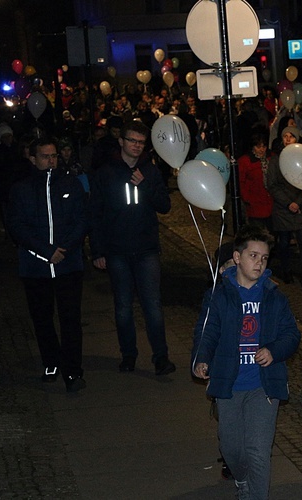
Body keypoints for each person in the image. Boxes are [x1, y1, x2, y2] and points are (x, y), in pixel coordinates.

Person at [192, 224, 300, 500]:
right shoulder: (219, 294)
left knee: (258, 451)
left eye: (264, 258)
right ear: (237, 258)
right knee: (232, 448)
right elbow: (207, 331)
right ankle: (242, 480)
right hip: (229, 383)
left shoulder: (274, 296)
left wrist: (274, 350)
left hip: (264, 386)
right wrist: (201, 359)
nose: (259, 263)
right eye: (253, 256)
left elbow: (291, 335)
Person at [90, 120, 176, 375]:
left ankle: (161, 357)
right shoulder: (105, 173)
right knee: (123, 307)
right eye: (132, 141)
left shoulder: (150, 171)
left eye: (141, 142)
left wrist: (145, 185)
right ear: (121, 142)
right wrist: (97, 251)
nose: (137, 146)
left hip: (146, 249)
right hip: (117, 250)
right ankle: (128, 355)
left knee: (152, 306)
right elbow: (95, 214)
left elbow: (164, 205)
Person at [8, 137, 88, 392]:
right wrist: (46, 251)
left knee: (70, 319)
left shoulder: (71, 184)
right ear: (33, 159)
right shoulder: (21, 189)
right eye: (45, 156)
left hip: (68, 265)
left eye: (54, 156)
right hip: (35, 268)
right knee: (42, 318)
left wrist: (64, 249)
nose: (51, 160)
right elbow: (18, 226)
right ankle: (50, 361)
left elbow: (82, 219)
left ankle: (73, 371)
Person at [265, 125, 302, 290]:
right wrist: (287, 203)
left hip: (298, 208)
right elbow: (272, 185)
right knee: (284, 243)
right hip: (282, 209)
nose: (287, 139)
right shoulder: (275, 161)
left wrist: (298, 202)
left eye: (291, 136)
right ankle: (287, 272)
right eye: (285, 136)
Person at [238, 128, 273, 229]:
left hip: (270, 203)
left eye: (264, 146)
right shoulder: (245, 161)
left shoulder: (271, 158)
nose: (262, 149)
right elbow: (241, 182)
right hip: (255, 205)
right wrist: (247, 199)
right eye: (258, 146)